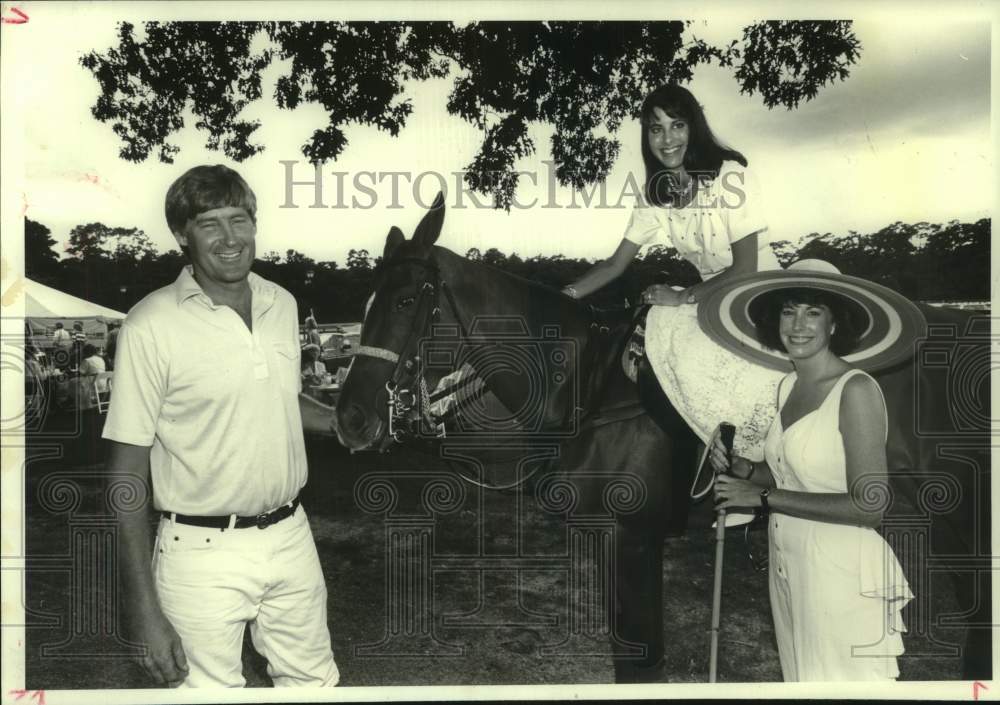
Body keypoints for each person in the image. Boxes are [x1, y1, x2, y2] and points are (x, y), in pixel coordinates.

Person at [102, 165, 340, 688]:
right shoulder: (150, 324)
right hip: (199, 552)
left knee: (315, 686)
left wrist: (342, 422)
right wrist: (142, 609)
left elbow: (277, 398)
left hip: (292, 536)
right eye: (210, 224)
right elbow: (123, 477)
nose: (230, 238)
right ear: (183, 236)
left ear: (256, 224)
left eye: (240, 220)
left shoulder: (283, 303)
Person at [560, 83, 784, 525]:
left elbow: (745, 269)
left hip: (760, 294)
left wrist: (683, 296)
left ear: (693, 127)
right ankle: (695, 461)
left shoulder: (729, 177)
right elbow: (614, 265)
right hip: (711, 302)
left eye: (677, 125)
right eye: (655, 129)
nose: (667, 139)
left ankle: (756, 474)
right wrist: (558, 299)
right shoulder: (654, 194)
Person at [706, 262, 922, 681]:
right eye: (789, 311)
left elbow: (870, 507)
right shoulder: (788, 385)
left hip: (841, 572)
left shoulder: (855, 391)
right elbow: (789, 471)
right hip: (790, 563)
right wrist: (745, 469)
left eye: (813, 311)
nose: (798, 324)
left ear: (835, 322)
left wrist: (763, 500)